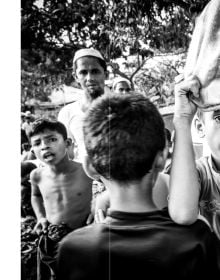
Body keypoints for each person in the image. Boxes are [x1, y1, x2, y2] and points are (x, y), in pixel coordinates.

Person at [57, 93, 218, 280]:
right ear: (160, 160)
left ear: (90, 166)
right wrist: (182, 120)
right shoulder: (196, 239)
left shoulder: (74, 249)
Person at [29, 119, 93, 280]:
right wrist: (41, 217)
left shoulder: (85, 171)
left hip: (83, 236)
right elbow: (35, 195)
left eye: (52, 139)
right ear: (33, 150)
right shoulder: (37, 175)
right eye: (37, 143)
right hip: (52, 237)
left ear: (67, 143)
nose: (45, 146)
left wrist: (96, 208)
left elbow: (107, 188)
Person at [168, 76, 220, 241]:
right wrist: (182, 119)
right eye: (219, 118)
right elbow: (182, 213)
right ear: (200, 127)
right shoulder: (199, 173)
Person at [58, 48, 108, 162]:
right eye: (83, 72)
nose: (90, 78)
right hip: (82, 176)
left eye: (95, 71)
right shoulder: (67, 113)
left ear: (105, 74)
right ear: (75, 76)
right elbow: (66, 153)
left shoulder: (122, 108)